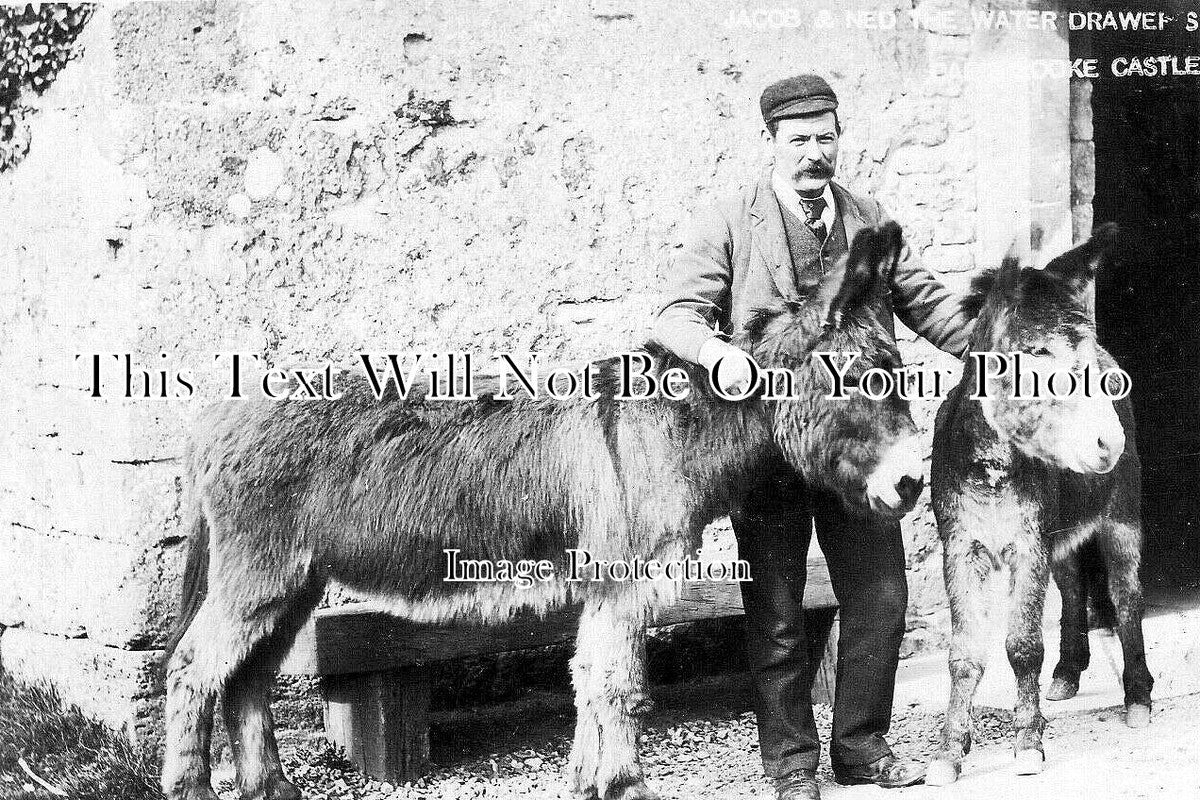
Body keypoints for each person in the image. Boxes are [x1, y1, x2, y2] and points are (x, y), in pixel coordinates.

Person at [650, 74, 973, 800]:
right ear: (772, 143)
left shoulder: (866, 217)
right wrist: (718, 353)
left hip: (855, 447)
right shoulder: (731, 218)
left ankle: (861, 746)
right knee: (777, 614)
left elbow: (928, 304)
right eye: (798, 140)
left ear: (838, 139)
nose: (813, 153)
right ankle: (791, 766)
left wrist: (995, 351)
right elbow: (674, 314)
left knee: (884, 597)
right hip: (768, 452)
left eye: (825, 137)